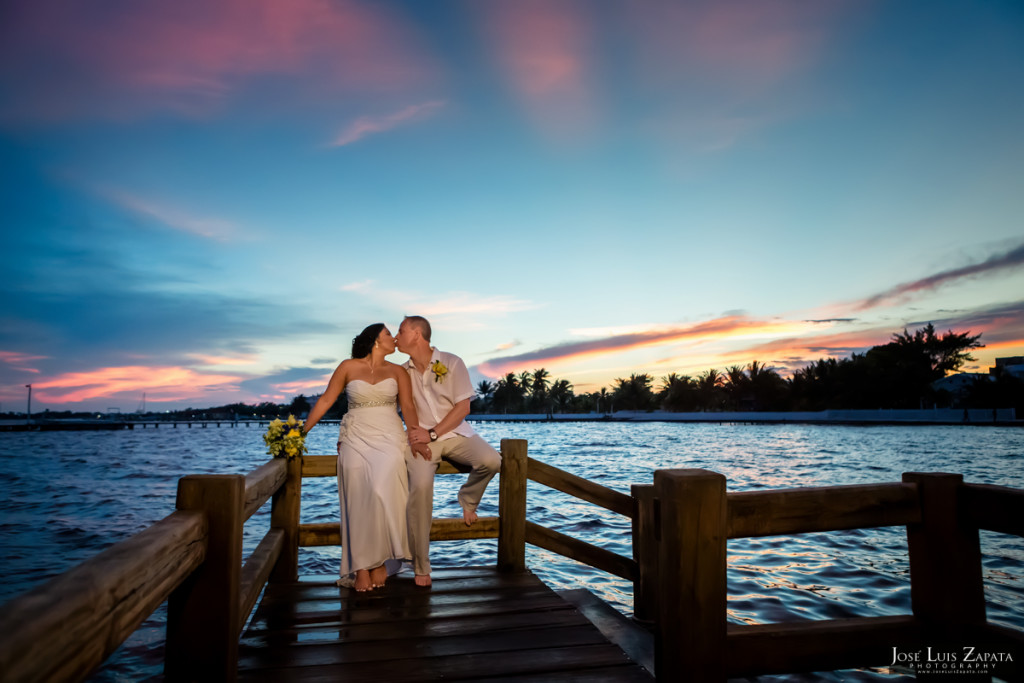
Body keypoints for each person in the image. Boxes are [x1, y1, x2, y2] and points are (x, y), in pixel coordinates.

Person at [303, 323, 423, 592]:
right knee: (357, 496)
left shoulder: (398, 371)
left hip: (389, 436)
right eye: (388, 334)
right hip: (355, 435)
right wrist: (300, 433)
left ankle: (382, 560)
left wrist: (415, 437)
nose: (394, 338)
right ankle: (361, 568)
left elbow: (409, 407)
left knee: (383, 491)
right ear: (375, 340)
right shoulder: (347, 367)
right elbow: (325, 401)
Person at [395, 315, 502, 587]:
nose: (396, 335)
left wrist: (433, 433)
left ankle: (468, 499)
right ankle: (421, 567)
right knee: (419, 487)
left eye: (401, 330)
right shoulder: (401, 372)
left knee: (492, 460)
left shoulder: (452, 362)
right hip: (420, 441)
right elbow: (399, 409)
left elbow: (463, 408)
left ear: (417, 334)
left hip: (454, 433)